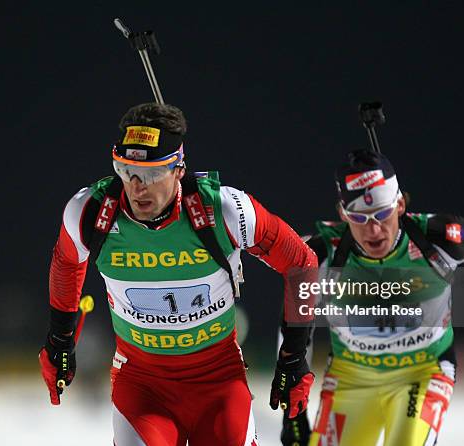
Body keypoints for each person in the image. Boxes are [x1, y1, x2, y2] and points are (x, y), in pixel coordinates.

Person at [37, 102, 317, 445]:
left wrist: (293, 358)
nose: (138, 187)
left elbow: (301, 263)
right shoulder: (90, 212)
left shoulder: (225, 210)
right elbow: (67, 262)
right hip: (141, 384)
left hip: (218, 382)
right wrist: (59, 341)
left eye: (153, 174)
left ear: (178, 170)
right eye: (126, 170)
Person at [279, 149, 464, 446]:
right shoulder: (321, 255)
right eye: (359, 217)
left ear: (399, 204)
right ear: (343, 214)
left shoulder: (439, 239)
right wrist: (292, 414)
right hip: (352, 376)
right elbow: (292, 331)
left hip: (422, 372)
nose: (374, 230)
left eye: (382, 214)